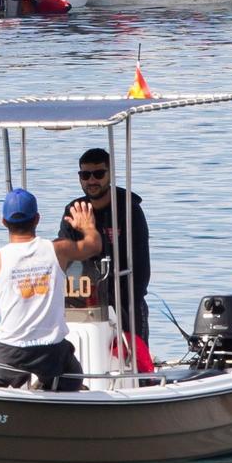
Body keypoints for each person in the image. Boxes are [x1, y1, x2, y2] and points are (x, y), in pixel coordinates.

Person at [0, 189, 102, 391]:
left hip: (7, 352)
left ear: (3, 222)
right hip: (51, 353)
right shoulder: (59, 250)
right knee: (73, 376)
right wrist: (88, 226)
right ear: (37, 219)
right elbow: (94, 246)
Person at [58, 148, 152, 349]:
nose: (92, 181)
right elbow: (65, 258)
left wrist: (126, 302)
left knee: (134, 357)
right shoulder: (74, 209)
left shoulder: (129, 208)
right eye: (85, 175)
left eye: (99, 174)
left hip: (126, 300)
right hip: (86, 300)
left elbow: (141, 264)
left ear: (110, 174)